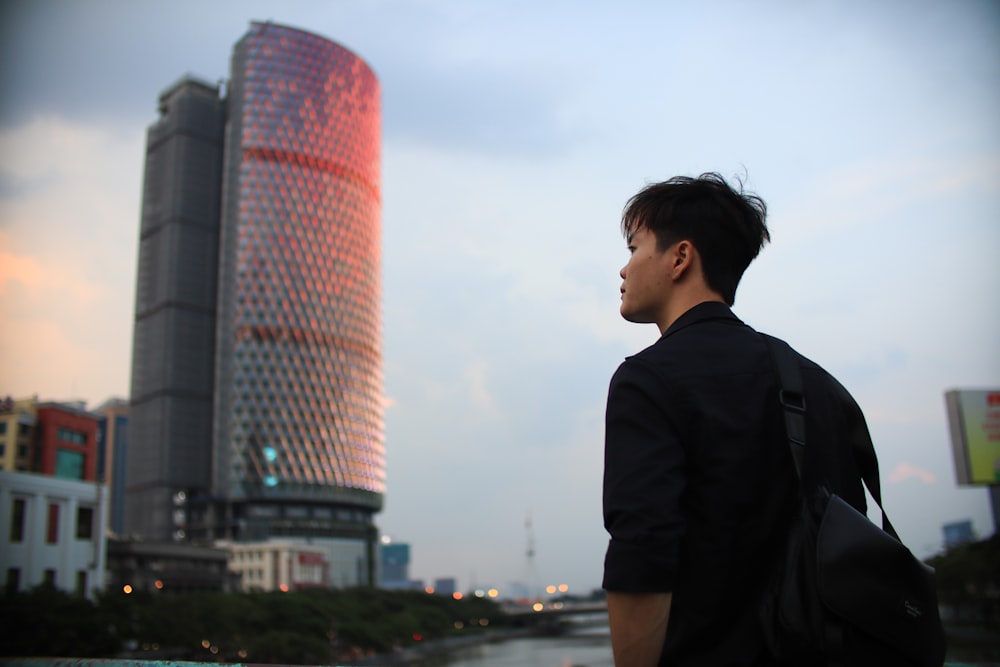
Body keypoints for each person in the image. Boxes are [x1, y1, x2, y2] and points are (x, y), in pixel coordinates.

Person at [602, 173, 871, 666]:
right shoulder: (818, 383)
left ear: (680, 258)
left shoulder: (646, 380)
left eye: (634, 248)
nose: (623, 269)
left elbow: (643, 551)